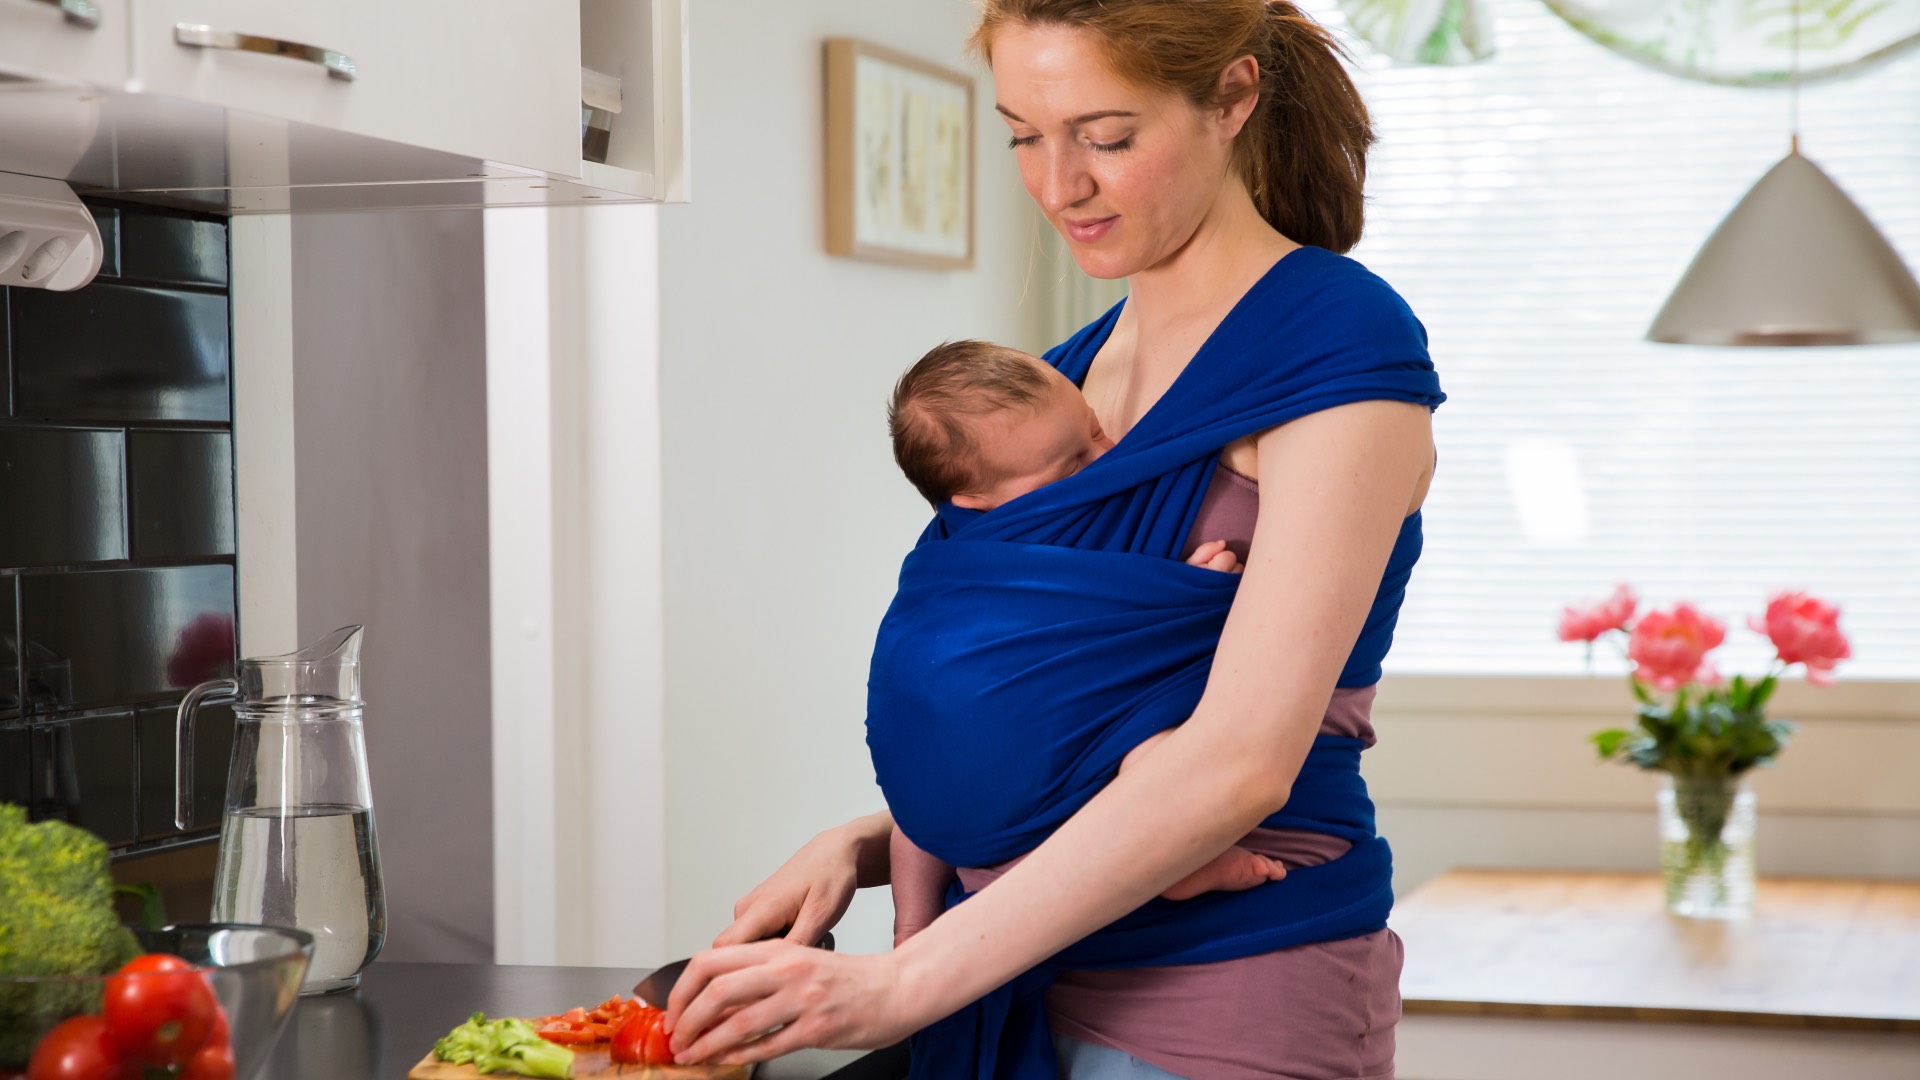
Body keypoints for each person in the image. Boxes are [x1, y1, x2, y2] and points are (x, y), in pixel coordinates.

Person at [663, 1, 1444, 1077]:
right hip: (1020, 963)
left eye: (1107, 137)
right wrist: (873, 841)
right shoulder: (1064, 379)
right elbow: (1066, 715)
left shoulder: (1334, 338)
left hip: (1229, 994)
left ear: (1233, 96)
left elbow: (1240, 765)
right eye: (1025, 134)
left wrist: (902, 984)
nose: (1059, 183)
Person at [883, 338, 1287, 946]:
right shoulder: (993, 541)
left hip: (1012, 740)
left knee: (919, 819)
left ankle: (913, 928)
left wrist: (1178, 587)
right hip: (979, 723)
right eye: (1073, 463)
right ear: (974, 501)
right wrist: (1191, 590)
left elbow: (1100, 613)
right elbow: (1101, 607)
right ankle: (914, 928)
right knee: (1143, 750)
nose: (1107, 458)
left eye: (1095, 429)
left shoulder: (1034, 498)